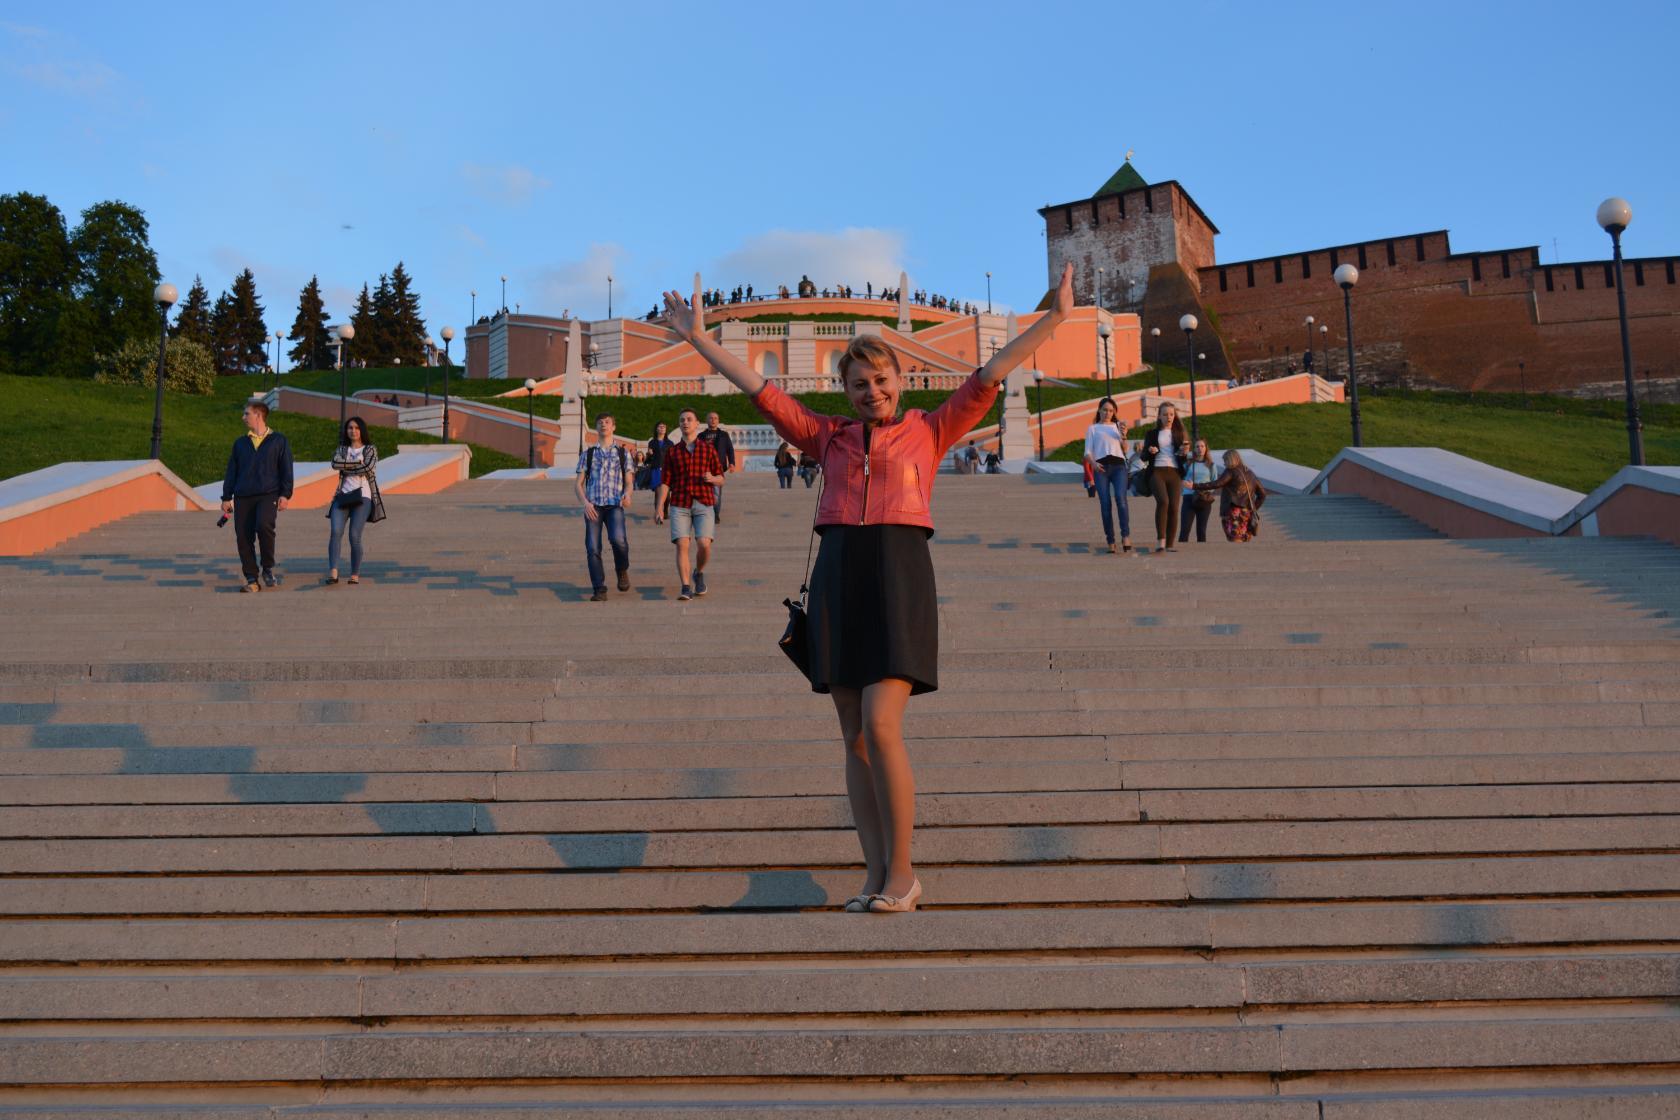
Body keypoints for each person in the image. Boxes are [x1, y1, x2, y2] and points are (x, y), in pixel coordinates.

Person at [657, 263, 1074, 914]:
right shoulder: (828, 437)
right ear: (845, 389)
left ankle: (904, 873)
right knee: (852, 733)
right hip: (839, 573)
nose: (871, 392)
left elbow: (990, 373)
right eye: (858, 384)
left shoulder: (930, 430)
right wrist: (698, 339)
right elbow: (761, 391)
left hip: (899, 571)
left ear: (899, 382)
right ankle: (875, 873)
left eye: (881, 380)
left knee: (881, 724)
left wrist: (1056, 318)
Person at [220, 400, 294, 592]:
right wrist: (226, 497)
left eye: (247, 414)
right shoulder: (240, 443)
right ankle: (252, 578)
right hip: (243, 496)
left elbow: (286, 469)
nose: (243, 417)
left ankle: (267, 567)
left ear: (258, 415)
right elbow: (231, 472)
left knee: (264, 526)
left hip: (268, 494)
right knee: (243, 537)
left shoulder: (278, 440)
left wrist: (285, 494)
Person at [654, 407, 725, 601]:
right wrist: (660, 507)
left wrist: (712, 478)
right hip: (680, 503)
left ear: (697, 424)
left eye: (689, 419)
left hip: (703, 502)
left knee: (704, 544)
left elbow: (721, 478)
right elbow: (665, 482)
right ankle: (685, 586)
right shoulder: (673, 452)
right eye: (682, 420)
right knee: (682, 544)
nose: (685, 422)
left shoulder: (708, 450)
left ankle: (698, 572)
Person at [575, 414, 634, 602]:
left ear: (613, 427)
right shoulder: (588, 454)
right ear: (596, 427)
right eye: (600, 422)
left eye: (607, 422)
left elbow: (629, 482)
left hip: (615, 505)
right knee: (592, 547)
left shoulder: (623, 453)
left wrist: (628, 494)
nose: (603, 425)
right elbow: (578, 484)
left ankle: (621, 569)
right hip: (593, 506)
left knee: (618, 540)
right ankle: (599, 588)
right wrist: (585, 503)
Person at [324, 416, 383, 586]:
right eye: (350, 428)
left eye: (356, 428)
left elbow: (368, 467)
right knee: (335, 532)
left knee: (354, 536)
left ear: (362, 430)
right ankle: (333, 573)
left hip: (363, 496)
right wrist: (357, 463)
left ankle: (354, 574)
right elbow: (335, 463)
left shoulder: (370, 449)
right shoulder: (342, 449)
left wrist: (347, 465)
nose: (353, 431)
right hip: (342, 495)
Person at [1081, 398, 1131, 554]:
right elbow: (1087, 452)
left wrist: (1124, 435)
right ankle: (1110, 540)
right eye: (1104, 410)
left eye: (1110, 411)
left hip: (1118, 467)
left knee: (1121, 499)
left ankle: (1125, 536)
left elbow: (1125, 449)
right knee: (1105, 504)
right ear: (1099, 410)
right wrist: (1094, 464)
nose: (1107, 413)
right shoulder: (1093, 428)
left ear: (1114, 412)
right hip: (1101, 468)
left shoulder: (1117, 427)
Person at [1138, 402, 1187, 554]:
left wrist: (1183, 453)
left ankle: (1170, 544)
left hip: (1174, 472)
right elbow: (1143, 456)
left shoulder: (1179, 434)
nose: (1168, 417)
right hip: (1156, 471)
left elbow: (1183, 459)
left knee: (1174, 507)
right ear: (1159, 416)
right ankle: (1161, 541)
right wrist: (1150, 451)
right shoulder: (1152, 434)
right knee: (1163, 501)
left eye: (1171, 414)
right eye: (1165, 414)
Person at [1195, 449, 1269, 543]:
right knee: (1244, 540)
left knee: (1235, 540)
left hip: (1234, 512)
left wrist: (1195, 486)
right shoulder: (1250, 473)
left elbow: (1217, 483)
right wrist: (1253, 508)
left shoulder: (1231, 471)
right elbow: (1263, 494)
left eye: (1225, 461)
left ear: (1230, 459)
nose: (1224, 464)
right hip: (1247, 513)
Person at [697, 412, 736, 523]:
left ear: (718, 421)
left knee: (717, 492)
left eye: (715, 418)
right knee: (704, 491)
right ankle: (704, 512)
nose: (713, 420)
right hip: (704, 467)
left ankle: (715, 514)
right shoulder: (701, 436)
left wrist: (732, 463)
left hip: (718, 467)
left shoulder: (724, 435)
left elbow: (730, 449)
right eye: (711, 418)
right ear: (707, 420)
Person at [1179, 438, 1218, 545]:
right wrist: (1183, 482)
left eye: (1202, 446)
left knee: (1201, 531)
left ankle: (1202, 553)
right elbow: (1180, 476)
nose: (1200, 449)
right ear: (1194, 449)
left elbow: (1214, 483)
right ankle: (1181, 552)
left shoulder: (1211, 465)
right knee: (1185, 529)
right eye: (1197, 446)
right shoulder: (1188, 463)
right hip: (1188, 498)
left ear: (1206, 448)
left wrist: (1204, 490)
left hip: (1204, 499)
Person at [646, 422, 673, 493]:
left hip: (666, 468)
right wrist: (649, 454)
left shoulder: (670, 443)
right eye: (660, 426)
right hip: (656, 468)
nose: (662, 428)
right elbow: (649, 460)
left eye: (663, 427)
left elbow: (672, 457)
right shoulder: (652, 442)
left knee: (666, 490)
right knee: (657, 490)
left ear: (666, 430)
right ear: (656, 429)